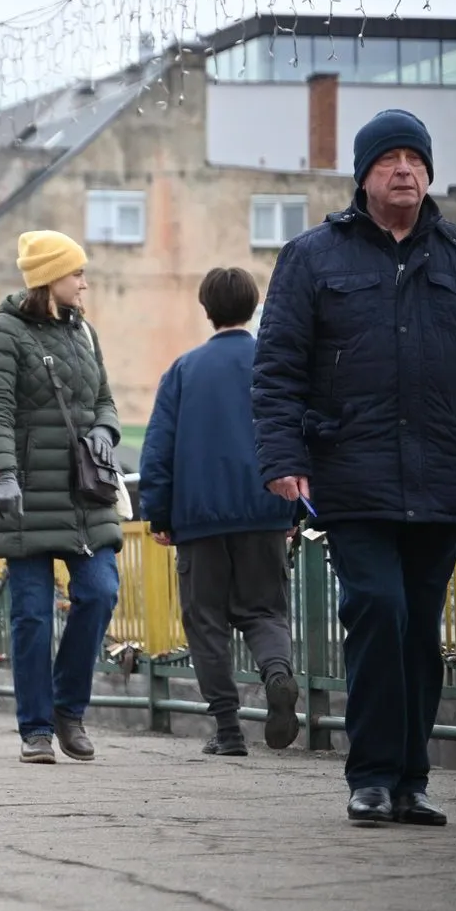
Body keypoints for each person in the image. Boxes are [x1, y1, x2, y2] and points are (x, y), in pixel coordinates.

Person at [253, 109, 456, 826]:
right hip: (351, 471)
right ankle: (372, 776)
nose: (404, 169)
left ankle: (411, 781)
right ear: (363, 175)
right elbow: (278, 367)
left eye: (415, 158)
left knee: (420, 628)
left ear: (429, 172)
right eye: (389, 159)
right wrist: (283, 456)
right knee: (377, 608)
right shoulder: (313, 257)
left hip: (441, 473)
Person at [0, 230, 122, 765]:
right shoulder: (4, 332)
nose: (84, 283)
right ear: (50, 278)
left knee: (100, 592)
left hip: (84, 490)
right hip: (26, 493)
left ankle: (68, 709)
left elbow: (105, 399)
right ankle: (35, 729)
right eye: (76, 273)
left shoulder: (84, 332)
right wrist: (3, 474)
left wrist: (105, 429)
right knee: (33, 615)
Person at [142, 267, 299, 758]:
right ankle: (277, 673)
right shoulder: (274, 364)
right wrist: (297, 510)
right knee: (265, 610)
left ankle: (228, 731)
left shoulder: (184, 370)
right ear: (253, 307)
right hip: (267, 508)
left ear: (206, 310)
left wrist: (159, 515)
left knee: (205, 621)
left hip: (199, 519)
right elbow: (300, 431)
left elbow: (158, 449)